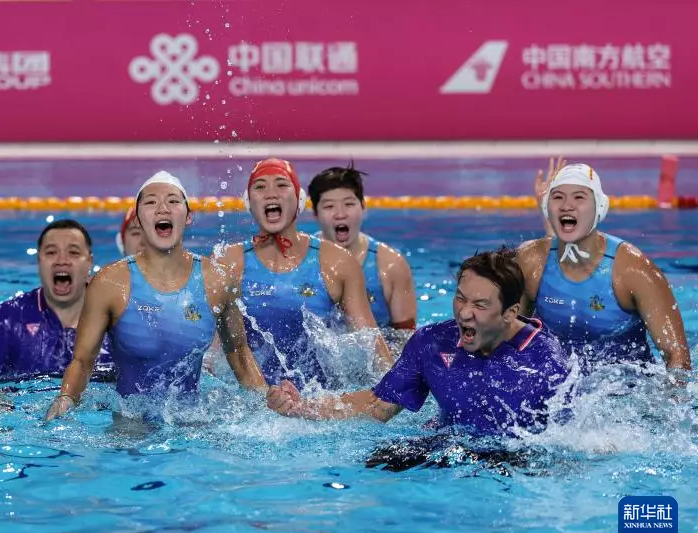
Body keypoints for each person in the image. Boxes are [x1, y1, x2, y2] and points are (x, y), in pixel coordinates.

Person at [43, 171, 278, 421]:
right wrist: (66, 398)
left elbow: (238, 352)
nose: (162, 208)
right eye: (151, 202)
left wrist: (266, 403)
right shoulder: (110, 283)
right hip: (130, 421)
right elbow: (82, 361)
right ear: (138, 218)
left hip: (194, 419)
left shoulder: (217, 279)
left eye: (173, 201)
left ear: (188, 216)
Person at [267, 247, 574, 438]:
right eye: (460, 298)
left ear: (510, 313)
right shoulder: (433, 343)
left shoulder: (547, 362)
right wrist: (302, 407)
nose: (464, 313)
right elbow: (377, 406)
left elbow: (572, 440)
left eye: (480, 305)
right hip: (448, 446)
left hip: (518, 460)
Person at [213, 158, 393, 391]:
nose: (271, 194)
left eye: (281, 185)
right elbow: (214, 351)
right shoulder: (227, 262)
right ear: (249, 202)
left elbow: (371, 346)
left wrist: (396, 391)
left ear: (298, 199)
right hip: (253, 398)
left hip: (319, 398)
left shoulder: (336, 262)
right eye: (260, 187)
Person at [518, 161, 691, 381]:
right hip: (556, 385)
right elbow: (508, 334)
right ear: (547, 207)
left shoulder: (633, 271)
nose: (567, 205)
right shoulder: (530, 262)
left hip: (626, 388)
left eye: (579, 197)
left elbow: (677, 356)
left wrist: (671, 399)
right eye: (558, 197)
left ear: (600, 207)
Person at [0, 219, 114, 383]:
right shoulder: (8, 319)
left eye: (73, 252)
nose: (62, 260)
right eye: (51, 252)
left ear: (90, 262)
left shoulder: (115, 321)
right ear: (39, 261)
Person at [308, 164, 417, 332]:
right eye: (329, 206)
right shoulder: (302, 258)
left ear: (363, 207)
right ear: (315, 213)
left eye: (349, 204)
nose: (340, 214)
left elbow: (406, 338)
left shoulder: (391, 266)